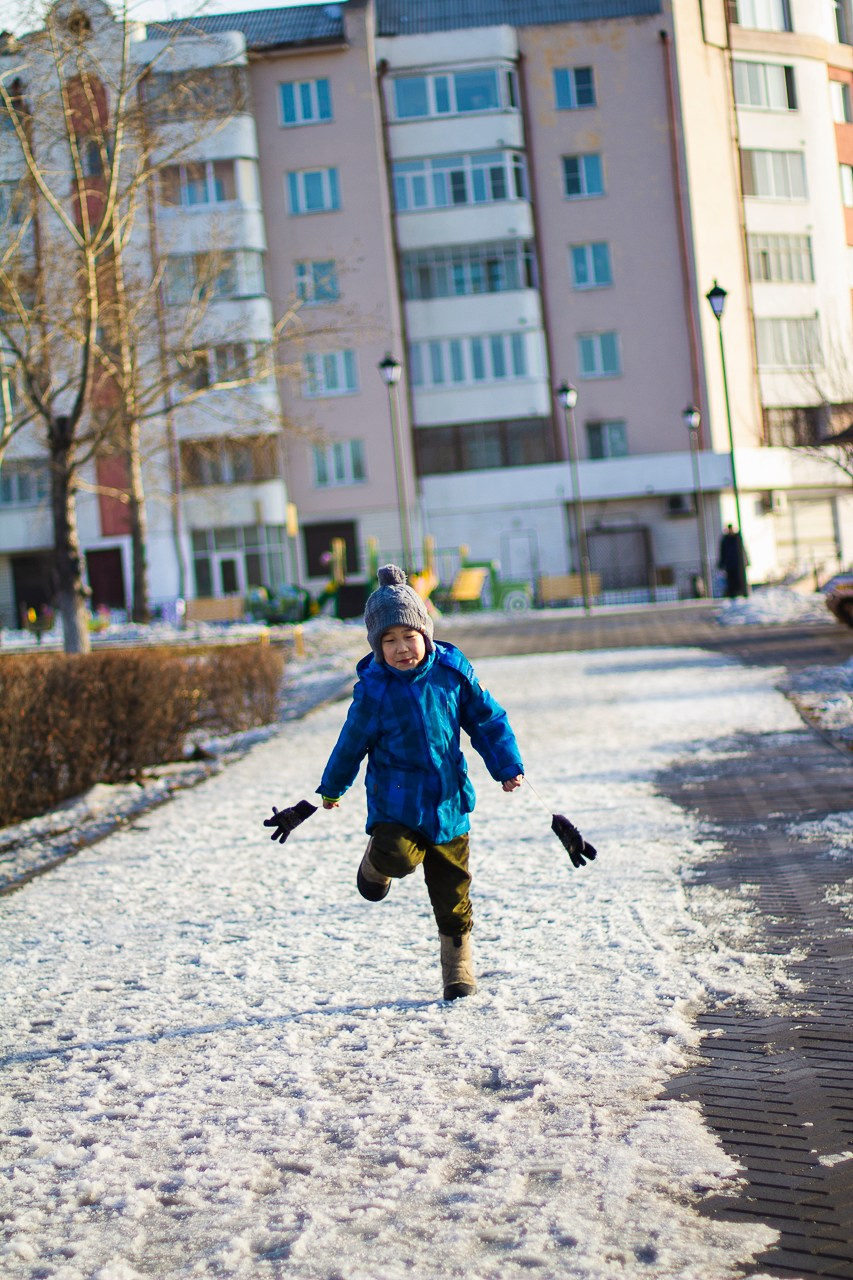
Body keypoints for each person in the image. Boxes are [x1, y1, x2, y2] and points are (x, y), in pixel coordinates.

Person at [317, 564, 524, 1001]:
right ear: (377, 647)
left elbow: (486, 720)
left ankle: (458, 970)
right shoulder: (374, 690)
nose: (401, 648)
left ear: (425, 634)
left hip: (448, 802)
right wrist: (333, 787)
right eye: (388, 640)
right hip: (396, 803)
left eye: (408, 636)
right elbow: (351, 742)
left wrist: (506, 765)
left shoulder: (452, 673)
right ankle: (375, 864)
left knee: (453, 894)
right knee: (398, 856)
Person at [718, 523, 749, 598]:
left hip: (738, 564)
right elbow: (723, 552)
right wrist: (722, 563)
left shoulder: (737, 538)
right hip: (730, 565)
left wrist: (746, 561)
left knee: (739, 579)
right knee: (731, 580)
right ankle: (733, 593)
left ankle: (740, 592)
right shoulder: (725, 540)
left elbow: (742, 550)